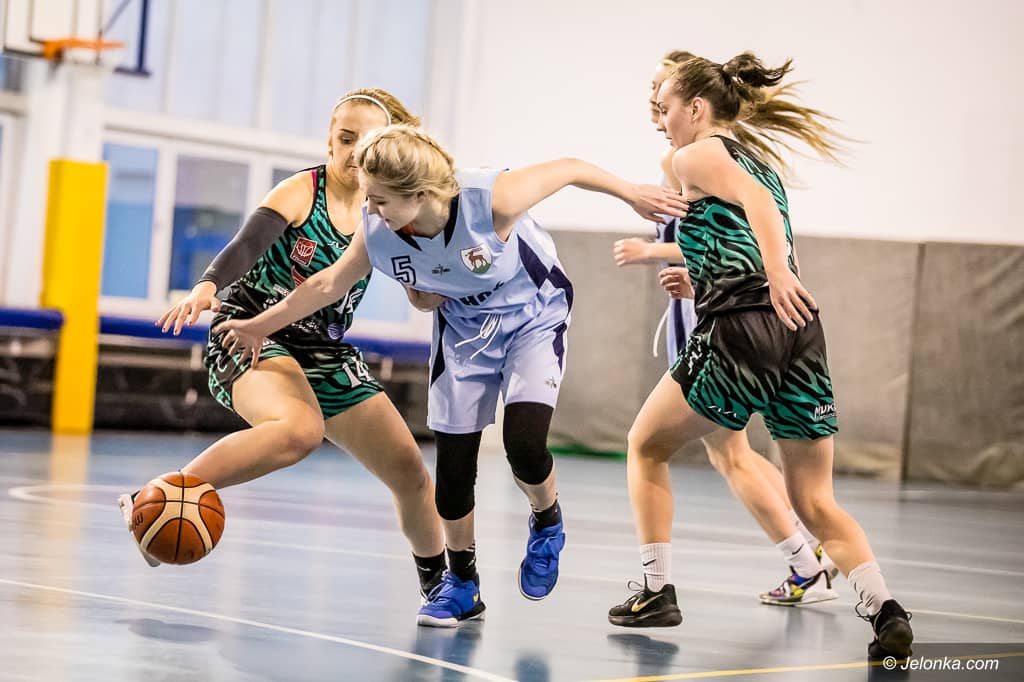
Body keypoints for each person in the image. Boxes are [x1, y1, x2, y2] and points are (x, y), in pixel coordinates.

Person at [212, 124, 686, 627]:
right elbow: (327, 284)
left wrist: (631, 193)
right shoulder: (378, 229)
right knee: (454, 469)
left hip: (532, 316)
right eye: (368, 198)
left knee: (524, 446)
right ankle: (462, 584)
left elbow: (569, 167)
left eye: (379, 200)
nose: (370, 209)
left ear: (418, 195)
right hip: (464, 330)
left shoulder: (491, 198)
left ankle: (547, 519)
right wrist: (257, 326)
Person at [607, 53, 913, 660]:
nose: (661, 121)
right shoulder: (757, 160)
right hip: (799, 330)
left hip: (744, 328)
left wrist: (771, 275)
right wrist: (709, 281)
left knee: (646, 446)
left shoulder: (692, 156)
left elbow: (759, 212)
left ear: (696, 109)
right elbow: (750, 230)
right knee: (816, 501)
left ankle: (656, 590)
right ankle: (887, 612)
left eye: (666, 108)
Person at [117, 89, 449, 613]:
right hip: (251, 330)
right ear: (329, 141)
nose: (353, 152)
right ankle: (157, 497)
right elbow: (247, 243)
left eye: (365, 142)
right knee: (299, 430)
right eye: (345, 139)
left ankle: (443, 588)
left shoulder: (385, 211)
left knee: (410, 469)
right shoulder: (302, 190)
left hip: (322, 349)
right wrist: (207, 286)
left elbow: (419, 285)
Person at [613, 50, 838, 606]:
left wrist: (650, 251)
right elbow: (730, 237)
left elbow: (739, 235)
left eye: (660, 93)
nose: (653, 104)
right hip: (721, 306)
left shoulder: (688, 158)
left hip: (725, 319)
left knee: (718, 452)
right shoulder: (716, 154)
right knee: (731, 454)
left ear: (692, 103)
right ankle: (811, 551)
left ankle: (804, 563)